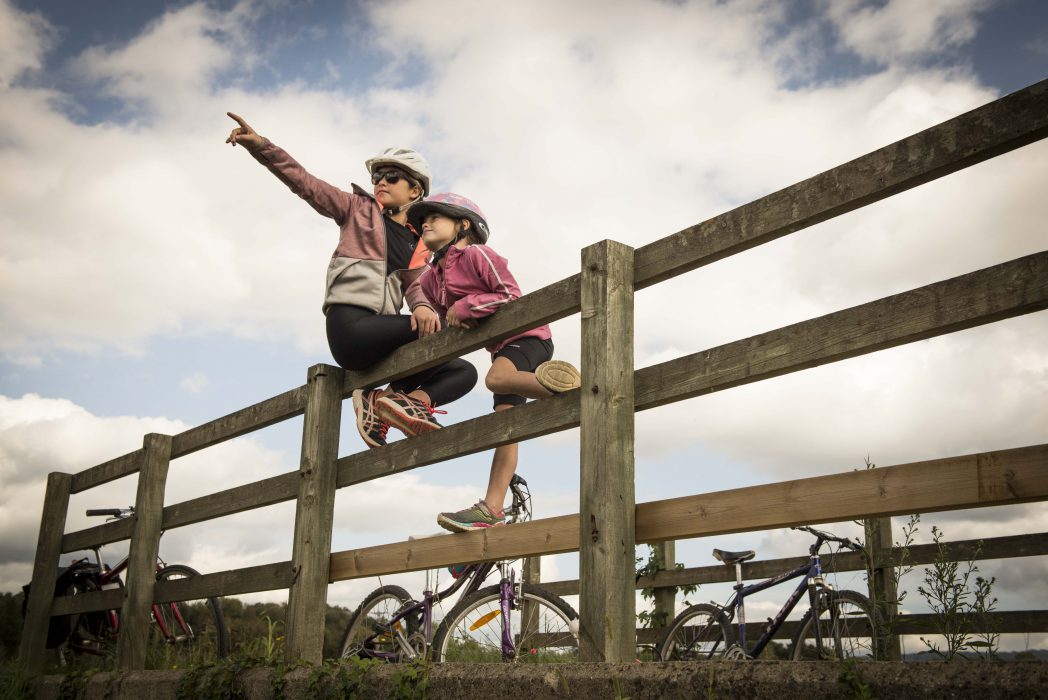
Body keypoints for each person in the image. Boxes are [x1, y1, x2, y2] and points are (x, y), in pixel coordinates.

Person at [225, 113, 477, 449]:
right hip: (352, 329)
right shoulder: (356, 210)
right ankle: (383, 401)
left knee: (463, 371)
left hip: (385, 336)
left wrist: (422, 307)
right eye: (377, 177)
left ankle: (391, 402)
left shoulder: (418, 242)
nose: (380, 182)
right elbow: (305, 183)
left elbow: (415, 286)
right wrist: (261, 147)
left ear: (415, 189)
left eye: (391, 176)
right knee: (438, 331)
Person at [405, 193, 581, 532]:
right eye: (423, 220)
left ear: (463, 225)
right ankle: (492, 508)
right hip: (502, 348)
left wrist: (467, 306)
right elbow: (448, 325)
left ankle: (578, 388)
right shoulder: (431, 279)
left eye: (435, 217)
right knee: (505, 429)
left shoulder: (476, 254)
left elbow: (509, 296)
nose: (425, 223)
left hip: (528, 338)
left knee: (496, 379)